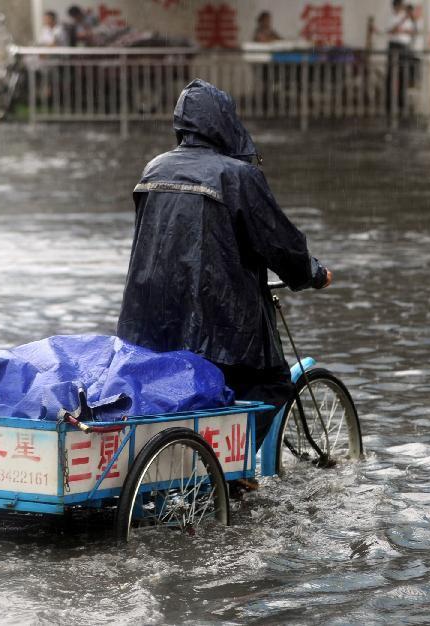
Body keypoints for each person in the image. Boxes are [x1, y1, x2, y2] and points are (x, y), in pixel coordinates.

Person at [116, 79, 332, 467]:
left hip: (149, 324)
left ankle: (186, 470)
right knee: (272, 384)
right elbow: (280, 244)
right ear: (225, 122)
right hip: (221, 326)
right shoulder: (237, 176)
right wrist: (312, 273)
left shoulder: (153, 169)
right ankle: (229, 469)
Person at [382, 0, 416, 113]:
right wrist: (398, 27)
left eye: (400, 6)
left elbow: (411, 32)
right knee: (391, 74)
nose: (400, 8)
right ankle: (388, 103)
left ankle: (401, 102)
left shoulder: (407, 18)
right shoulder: (390, 18)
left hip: (403, 46)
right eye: (398, 6)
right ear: (394, 6)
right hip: (393, 46)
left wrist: (404, 29)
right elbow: (390, 31)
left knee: (403, 74)